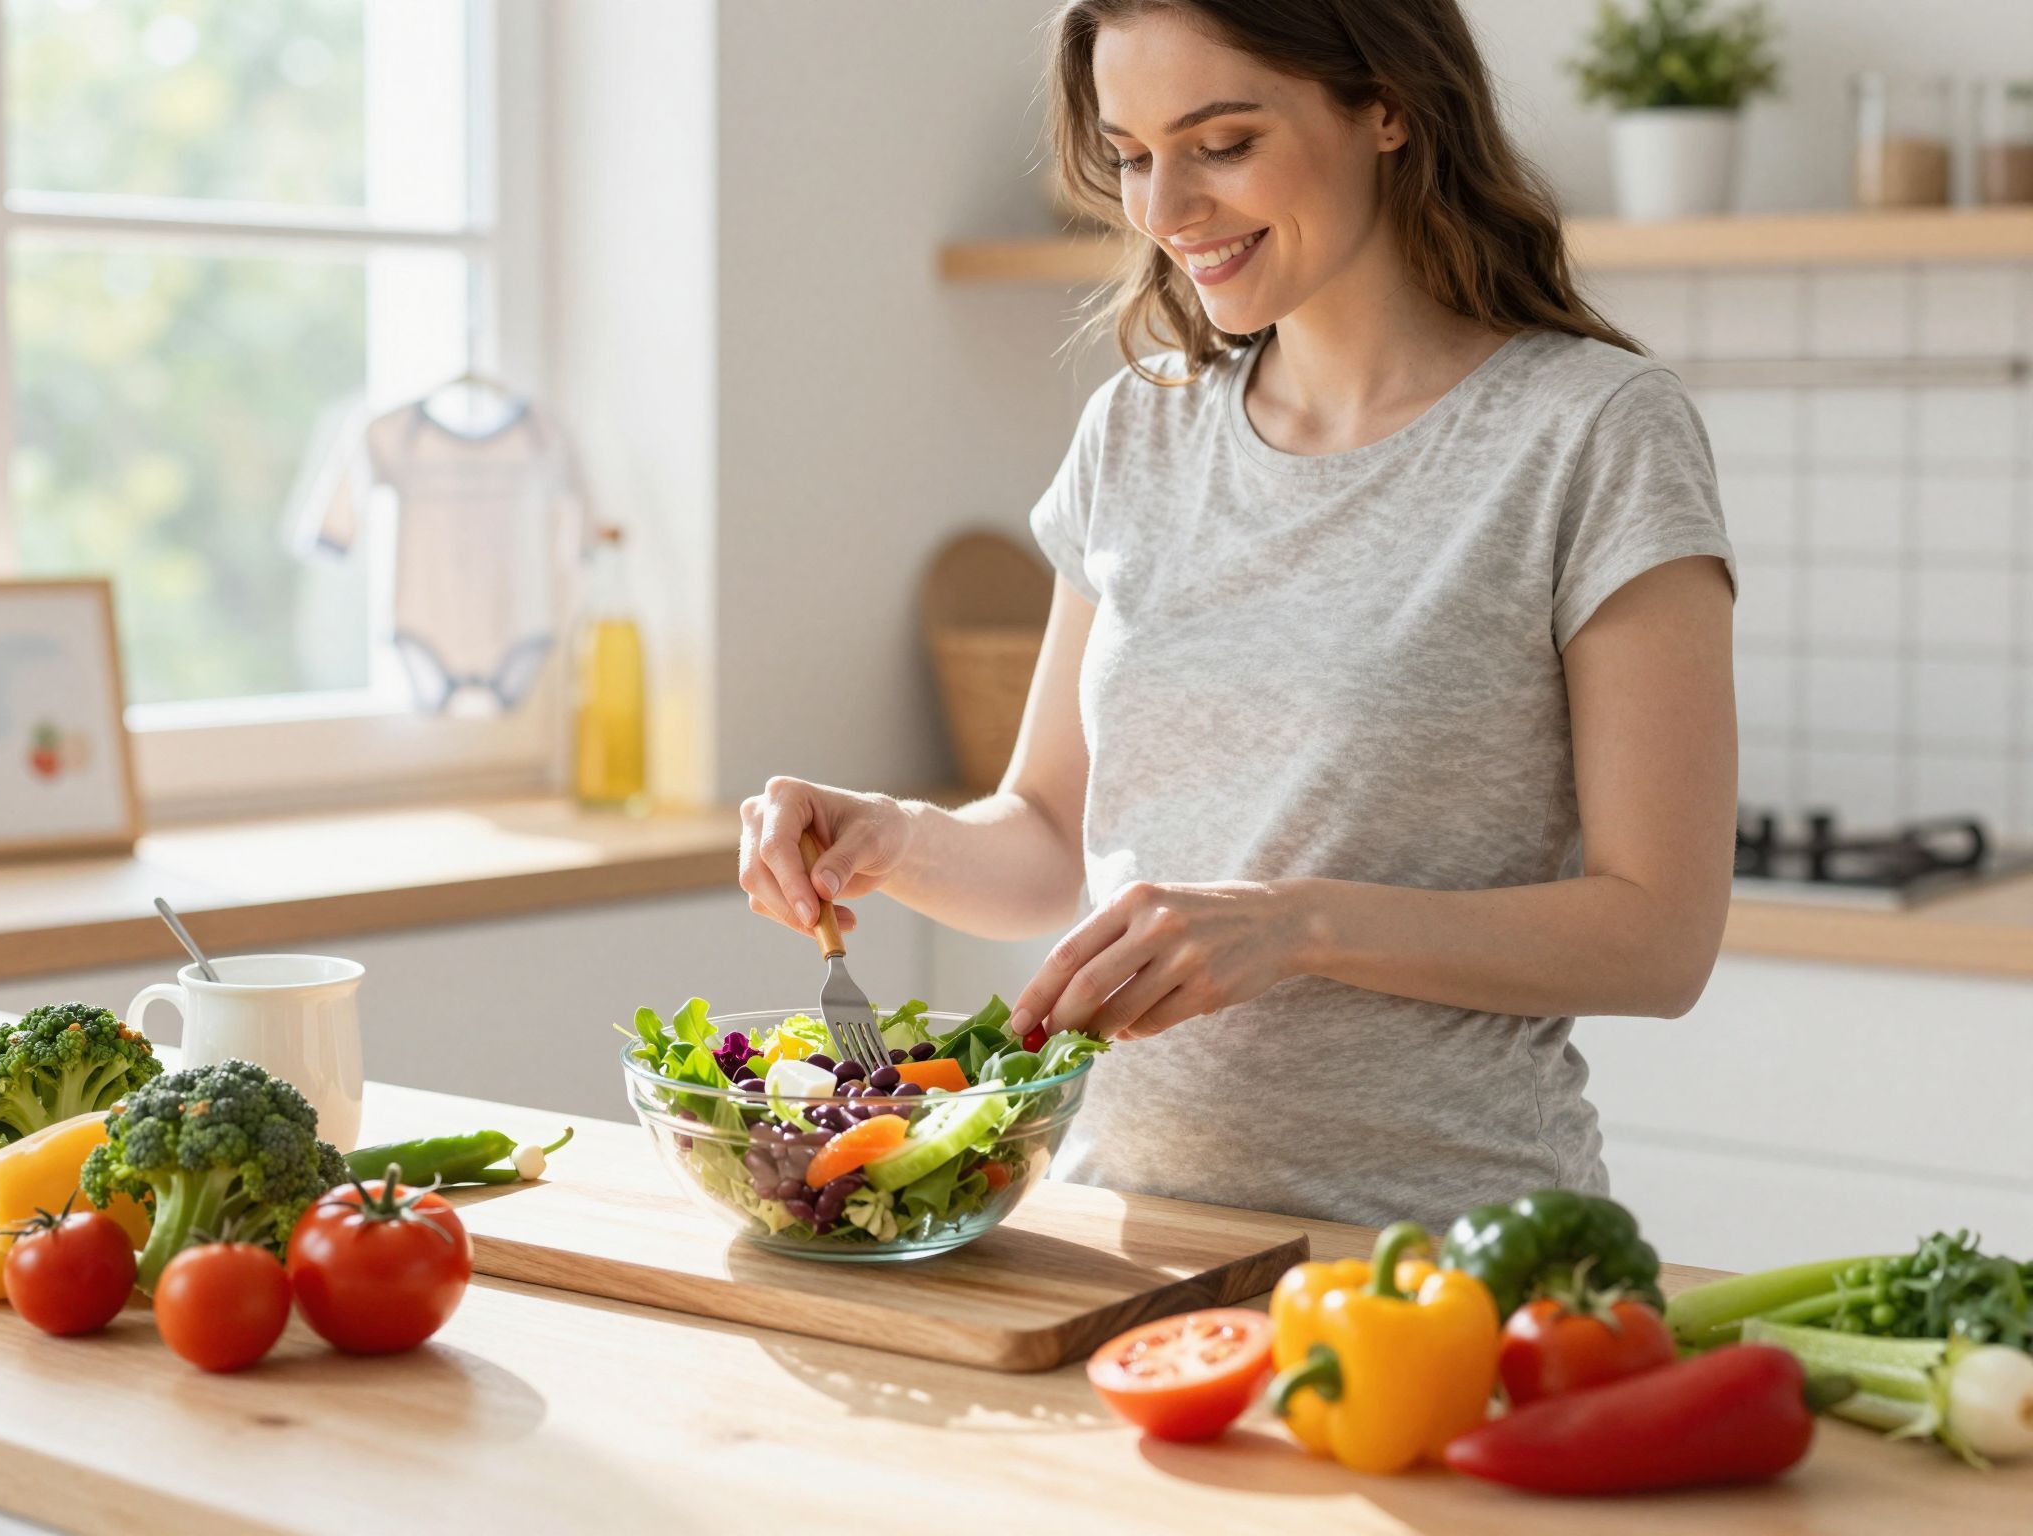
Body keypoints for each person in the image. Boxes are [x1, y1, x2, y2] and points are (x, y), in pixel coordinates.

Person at [739, 0, 1736, 1230]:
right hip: (1128, 1234)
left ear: (1387, 106)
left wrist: (1296, 926)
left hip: (1443, 1256)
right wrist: (886, 837)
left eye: (1220, 143)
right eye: (1132, 155)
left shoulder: (1590, 431)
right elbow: (1052, 839)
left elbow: (1658, 937)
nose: (1161, 212)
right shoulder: (1136, 428)